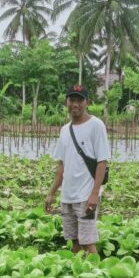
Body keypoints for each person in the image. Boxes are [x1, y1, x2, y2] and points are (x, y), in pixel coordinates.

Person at [45, 85, 110, 255]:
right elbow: (61, 165)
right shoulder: (65, 130)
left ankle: (99, 276)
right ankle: (76, 274)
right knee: (74, 241)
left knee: (87, 242)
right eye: (71, 100)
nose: (75, 104)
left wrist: (94, 194)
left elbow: (102, 162)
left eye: (79, 100)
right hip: (67, 196)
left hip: (85, 195)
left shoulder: (96, 125)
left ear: (86, 102)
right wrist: (52, 193)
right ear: (66, 102)